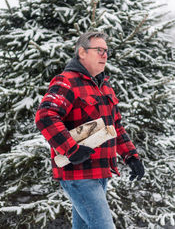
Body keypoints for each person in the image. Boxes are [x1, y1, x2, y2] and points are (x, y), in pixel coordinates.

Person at [35, 32, 145, 228]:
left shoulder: (104, 86)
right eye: (99, 50)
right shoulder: (66, 81)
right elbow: (45, 117)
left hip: (100, 173)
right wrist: (71, 149)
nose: (105, 55)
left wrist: (131, 156)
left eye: (106, 51)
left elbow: (115, 126)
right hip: (79, 175)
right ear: (82, 52)